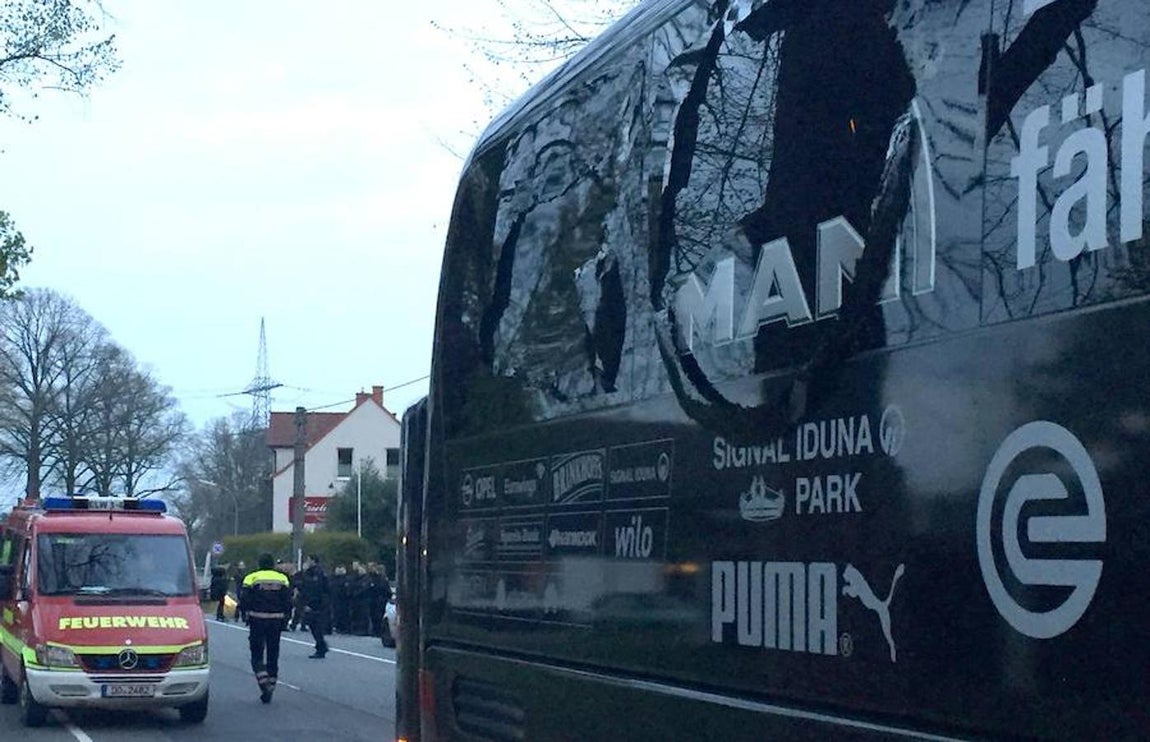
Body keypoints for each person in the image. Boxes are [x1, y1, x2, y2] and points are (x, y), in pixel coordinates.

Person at [237, 553, 292, 703]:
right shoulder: (282, 578)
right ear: (273, 564)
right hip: (276, 620)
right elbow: (288, 601)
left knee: (257, 653)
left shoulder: (251, 577)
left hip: (257, 619)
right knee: (273, 653)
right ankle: (272, 684)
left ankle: (263, 682)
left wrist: (244, 613)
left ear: (259, 564)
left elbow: (244, 598)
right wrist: (285, 618)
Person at [298, 554, 332, 658]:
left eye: (308, 560)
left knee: (316, 626)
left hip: (316, 603)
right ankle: (321, 645)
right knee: (314, 626)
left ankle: (321, 646)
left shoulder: (316, 573)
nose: (307, 562)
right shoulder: (312, 572)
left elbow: (314, 589)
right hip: (316, 602)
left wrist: (309, 604)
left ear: (313, 561)